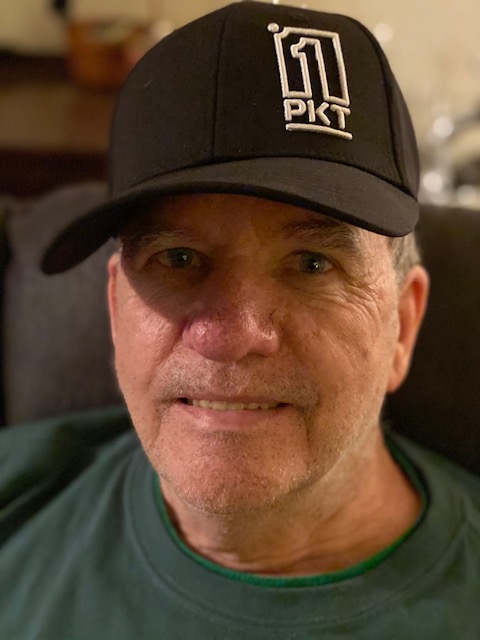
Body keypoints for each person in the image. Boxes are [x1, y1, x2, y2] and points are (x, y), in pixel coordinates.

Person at [1, 2, 479, 638]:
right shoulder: (18, 500)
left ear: (403, 324)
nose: (230, 334)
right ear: (115, 310)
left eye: (312, 264)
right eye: (178, 258)